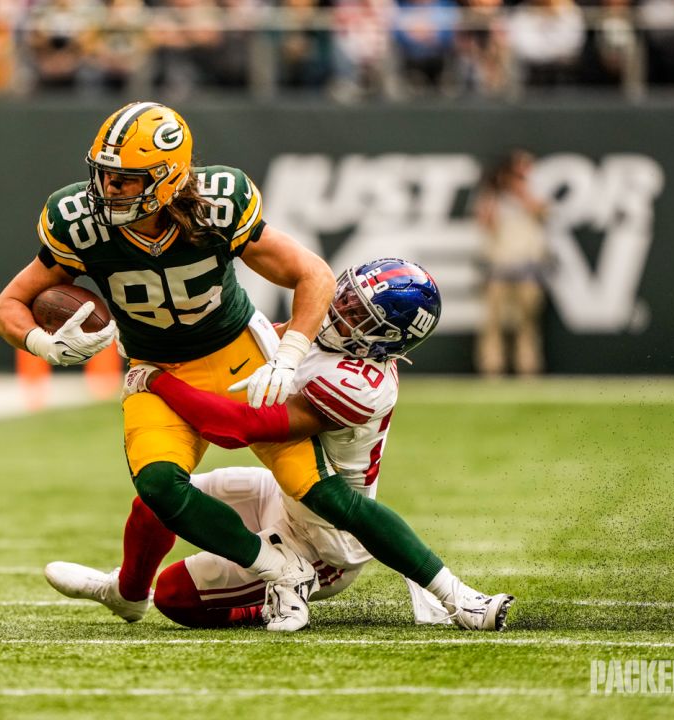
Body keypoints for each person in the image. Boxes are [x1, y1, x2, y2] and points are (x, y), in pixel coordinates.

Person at [0, 101, 338, 631]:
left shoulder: (217, 205)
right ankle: (275, 568)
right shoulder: (79, 224)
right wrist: (43, 344)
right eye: (104, 176)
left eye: (126, 181)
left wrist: (289, 358)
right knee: (157, 485)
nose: (108, 190)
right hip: (156, 370)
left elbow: (313, 274)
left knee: (317, 489)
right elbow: (6, 306)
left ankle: (442, 586)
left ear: (169, 179)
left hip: (238, 356)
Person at [45, 258, 514, 630]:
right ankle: (124, 594)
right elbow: (260, 344)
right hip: (286, 492)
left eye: (354, 314)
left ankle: (281, 595)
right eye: (345, 297)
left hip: (325, 539)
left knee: (174, 596)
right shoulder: (327, 337)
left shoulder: (358, 382)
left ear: (382, 340)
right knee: (156, 500)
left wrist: (154, 380)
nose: (337, 311)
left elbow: (239, 429)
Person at [475, 149, 551, 376]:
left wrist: (520, 192)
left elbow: (542, 211)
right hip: (499, 267)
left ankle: (528, 369)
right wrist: (496, 191)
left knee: (527, 324)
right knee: (493, 324)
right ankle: (492, 369)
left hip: (527, 266)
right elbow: (485, 223)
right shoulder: (493, 197)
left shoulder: (534, 191)